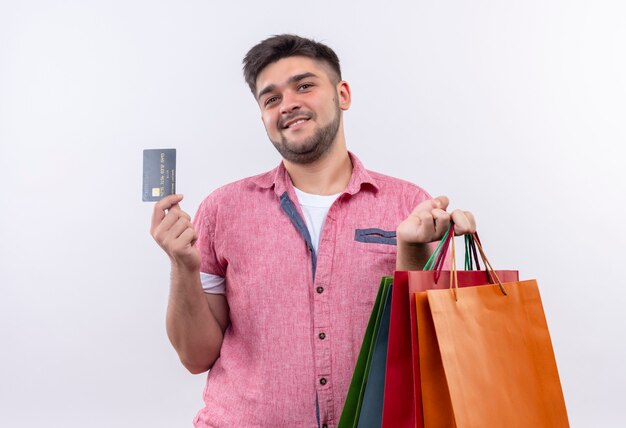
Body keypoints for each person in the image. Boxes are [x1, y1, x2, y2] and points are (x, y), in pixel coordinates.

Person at [150, 34, 475, 428]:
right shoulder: (222, 209)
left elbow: (428, 351)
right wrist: (182, 267)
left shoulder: (410, 204)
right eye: (271, 99)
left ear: (342, 94)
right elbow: (195, 357)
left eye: (304, 86)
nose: (288, 104)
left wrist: (413, 250)